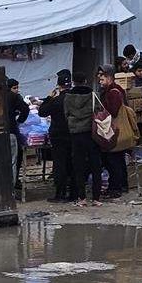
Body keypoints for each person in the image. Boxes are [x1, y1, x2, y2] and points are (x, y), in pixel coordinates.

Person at [64, 72, 102, 207]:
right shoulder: (93, 95)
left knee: (78, 166)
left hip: (76, 134)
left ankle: (82, 198)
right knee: (95, 165)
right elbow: (98, 111)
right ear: (85, 80)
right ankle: (96, 198)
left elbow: (66, 114)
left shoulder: (68, 97)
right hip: (91, 134)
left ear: (73, 82)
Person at [38, 69, 75, 203]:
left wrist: (49, 97)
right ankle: (73, 193)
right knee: (72, 163)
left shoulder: (56, 100)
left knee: (60, 165)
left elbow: (42, 112)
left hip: (58, 136)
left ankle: (60, 193)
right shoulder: (74, 98)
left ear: (59, 85)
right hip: (73, 134)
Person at [97, 64, 128, 199]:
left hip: (113, 130)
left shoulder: (113, 92)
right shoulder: (114, 90)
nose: (100, 80)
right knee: (118, 159)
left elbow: (113, 112)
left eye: (102, 77)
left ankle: (115, 187)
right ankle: (122, 185)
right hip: (116, 130)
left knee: (113, 159)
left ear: (109, 77)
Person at [6, 78, 30, 188]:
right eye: (14, 88)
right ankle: (12, 187)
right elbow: (25, 109)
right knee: (12, 161)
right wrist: (19, 121)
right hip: (11, 132)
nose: (16, 90)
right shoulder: (13, 97)